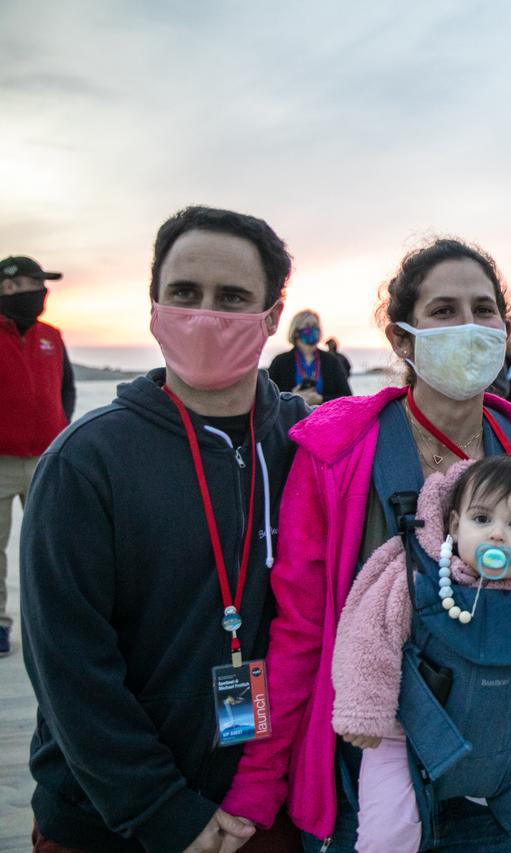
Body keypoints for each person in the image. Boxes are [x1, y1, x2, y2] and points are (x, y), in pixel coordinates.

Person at [221, 238, 511, 853]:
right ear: (402, 338)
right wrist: (258, 785)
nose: (468, 327)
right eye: (443, 311)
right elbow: (299, 633)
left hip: (496, 782)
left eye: (484, 310)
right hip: (369, 778)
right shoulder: (340, 459)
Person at [20, 207, 309, 852]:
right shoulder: (85, 462)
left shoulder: (306, 445)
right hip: (109, 821)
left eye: (232, 297)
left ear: (270, 314)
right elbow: (69, 666)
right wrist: (160, 811)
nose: (205, 314)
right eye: (184, 293)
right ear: (154, 307)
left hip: (256, 809)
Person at [331, 456, 511, 852]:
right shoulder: (419, 581)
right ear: (455, 525)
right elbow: (371, 638)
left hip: (502, 740)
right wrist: (364, 709)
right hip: (410, 737)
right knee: (386, 828)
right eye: (482, 519)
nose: (497, 535)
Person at [0, 255, 75, 657]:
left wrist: (62, 432)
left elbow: (65, 390)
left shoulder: (52, 336)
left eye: (40, 284)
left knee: (51, 545)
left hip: (47, 458)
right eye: (30, 283)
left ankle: (55, 623)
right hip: (1, 462)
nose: (38, 292)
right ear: (7, 286)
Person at [267, 310, 353, 405]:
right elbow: (267, 399)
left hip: (325, 418)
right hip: (291, 418)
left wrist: (321, 399)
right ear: (296, 332)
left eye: (315, 326)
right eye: (307, 326)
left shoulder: (331, 360)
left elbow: (347, 397)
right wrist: (291, 397)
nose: (313, 329)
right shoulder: (280, 362)